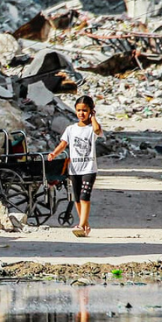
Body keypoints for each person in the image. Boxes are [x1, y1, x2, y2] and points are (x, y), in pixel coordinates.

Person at [47, 95, 102, 237]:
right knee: (77, 198)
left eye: (85, 110)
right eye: (78, 110)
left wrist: (94, 117)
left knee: (85, 196)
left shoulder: (91, 128)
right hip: (74, 169)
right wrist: (54, 153)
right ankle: (85, 225)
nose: (81, 113)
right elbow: (63, 144)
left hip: (89, 169)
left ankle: (80, 225)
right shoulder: (71, 129)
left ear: (90, 110)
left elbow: (97, 131)